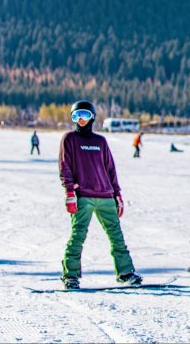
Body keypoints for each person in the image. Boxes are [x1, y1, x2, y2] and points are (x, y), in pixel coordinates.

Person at [59, 101, 141, 289]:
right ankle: (70, 275)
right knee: (77, 235)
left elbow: (110, 170)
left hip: (106, 196)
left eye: (85, 115)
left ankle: (125, 272)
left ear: (92, 117)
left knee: (116, 236)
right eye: (76, 116)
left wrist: (117, 195)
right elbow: (65, 168)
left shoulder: (100, 142)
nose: (81, 120)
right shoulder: (69, 139)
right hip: (83, 196)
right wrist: (70, 192)